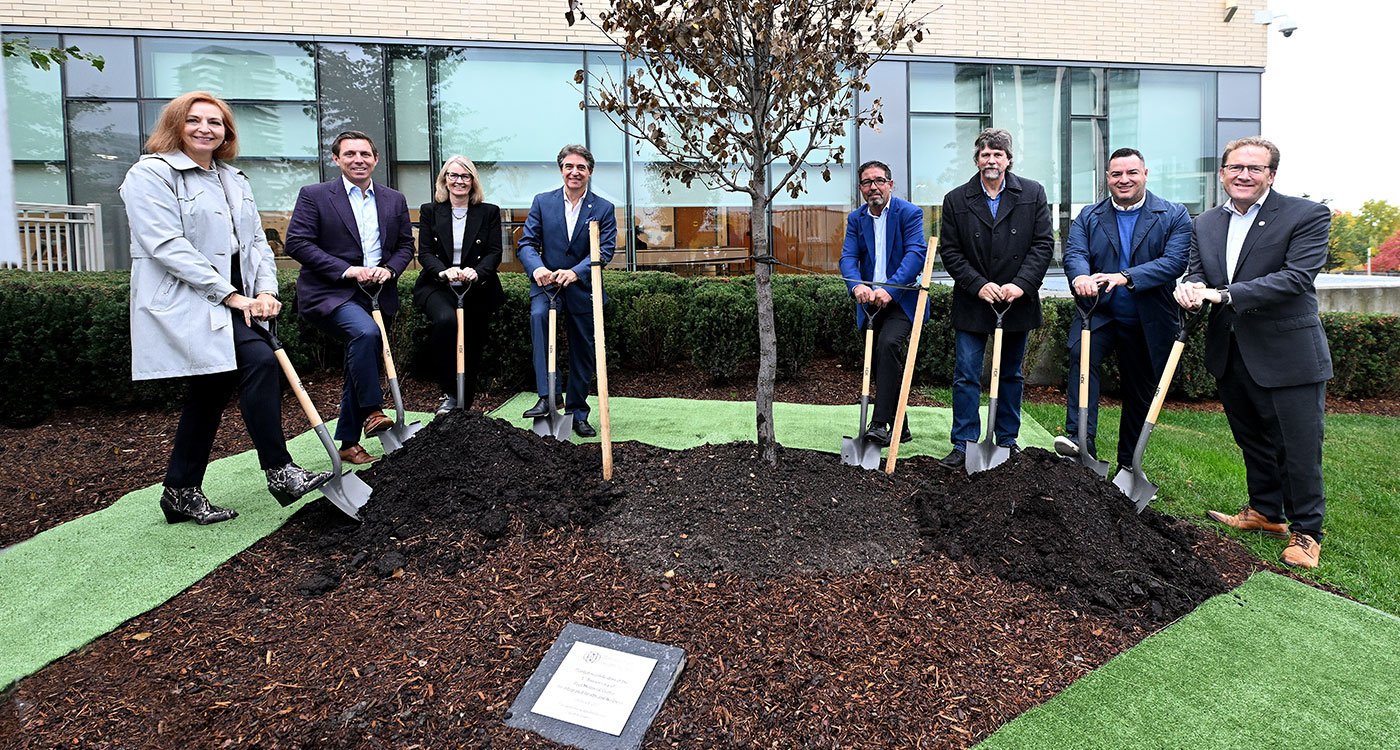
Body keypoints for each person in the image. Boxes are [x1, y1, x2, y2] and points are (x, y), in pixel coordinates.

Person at [122, 91, 330, 525]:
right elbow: (166, 246)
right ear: (175, 126)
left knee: (210, 391)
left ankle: (180, 491)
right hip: (191, 300)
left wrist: (267, 292)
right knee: (259, 361)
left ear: (226, 132)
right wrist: (232, 295)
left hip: (237, 300)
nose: (205, 129)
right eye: (194, 120)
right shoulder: (151, 175)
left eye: (215, 123)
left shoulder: (233, 179)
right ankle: (280, 471)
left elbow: (257, 243)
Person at [1173, 137, 1332, 569]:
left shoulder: (1307, 215)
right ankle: (1265, 512)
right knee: (1253, 439)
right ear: (1222, 173)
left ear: (1271, 176)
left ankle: (1306, 533)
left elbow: (1296, 278)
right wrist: (1187, 288)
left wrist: (1223, 294)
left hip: (1288, 354)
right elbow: (1198, 272)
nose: (1244, 175)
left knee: (1296, 446)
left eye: (1255, 168)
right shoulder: (1204, 222)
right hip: (1232, 351)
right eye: (1235, 167)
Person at [1053, 148, 1191, 469]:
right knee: (1081, 356)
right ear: (1107, 178)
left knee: (1138, 390)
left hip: (1149, 318)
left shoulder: (1173, 215)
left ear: (1145, 174)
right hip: (1099, 312)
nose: (1124, 180)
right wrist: (1081, 276)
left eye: (1131, 173)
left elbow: (1173, 263)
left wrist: (1126, 276)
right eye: (1116, 174)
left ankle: (1128, 465)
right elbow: (1075, 253)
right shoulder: (1089, 215)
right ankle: (1079, 440)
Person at [285, 131, 415, 465]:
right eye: (350, 154)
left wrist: (390, 269)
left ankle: (348, 443)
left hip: (375, 293)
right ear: (336, 159)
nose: (358, 159)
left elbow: (404, 246)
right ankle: (373, 410)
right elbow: (297, 243)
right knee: (365, 334)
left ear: (375, 159)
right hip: (330, 292)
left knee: (361, 362)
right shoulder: (315, 195)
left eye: (364, 154)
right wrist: (348, 269)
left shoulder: (393, 200)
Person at [936, 127, 1054, 469]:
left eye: (998, 154)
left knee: (1012, 375)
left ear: (1008, 159)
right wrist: (977, 285)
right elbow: (951, 251)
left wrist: (1021, 284)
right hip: (974, 301)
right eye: (985, 154)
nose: (991, 160)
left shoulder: (1032, 193)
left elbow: (1043, 244)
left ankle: (1006, 440)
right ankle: (964, 443)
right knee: (966, 373)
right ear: (976, 160)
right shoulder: (956, 199)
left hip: (1017, 300)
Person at [517, 144, 617, 438]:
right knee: (538, 318)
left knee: (583, 349)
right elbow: (526, 243)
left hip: (582, 287)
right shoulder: (542, 202)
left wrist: (575, 272)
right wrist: (538, 270)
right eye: (569, 166)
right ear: (561, 169)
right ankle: (548, 396)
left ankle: (577, 412)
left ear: (589, 172)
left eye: (581, 167)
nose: (575, 172)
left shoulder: (603, 208)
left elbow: (605, 251)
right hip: (546, 284)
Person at [837, 160, 928, 446]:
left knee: (888, 345)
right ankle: (902, 426)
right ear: (861, 188)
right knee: (880, 360)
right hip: (869, 303)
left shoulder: (909, 213)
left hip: (902, 300)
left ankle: (878, 424)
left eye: (878, 180)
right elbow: (848, 258)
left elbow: (915, 254)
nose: (873, 186)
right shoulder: (856, 219)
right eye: (866, 182)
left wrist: (890, 289)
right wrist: (857, 285)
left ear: (890, 184)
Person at [413, 156, 505, 414]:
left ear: (473, 181)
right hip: (439, 285)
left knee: (473, 340)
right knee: (446, 321)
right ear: (444, 180)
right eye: (453, 175)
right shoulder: (430, 211)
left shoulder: (489, 212)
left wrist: (477, 272)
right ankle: (449, 393)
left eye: (465, 176)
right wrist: (443, 271)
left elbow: (494, 252)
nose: (459, 181)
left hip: (476, 286)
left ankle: (465, 403)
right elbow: (425, 253)